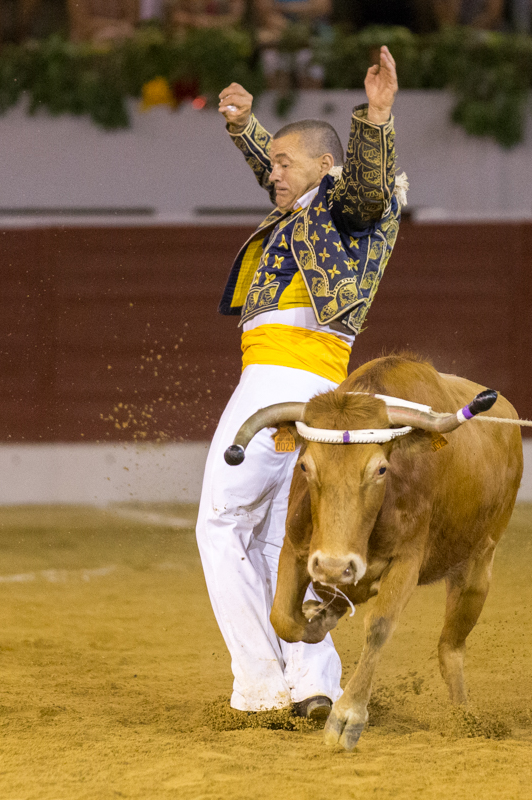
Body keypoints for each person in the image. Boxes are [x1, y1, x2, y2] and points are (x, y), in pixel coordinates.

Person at [197, 46, 404, 718]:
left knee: (223, 525)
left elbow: (365, 186)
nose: (270, 175)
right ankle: (314, 681)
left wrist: (376, 117)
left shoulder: (347, 206)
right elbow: (287, 167)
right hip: (317, 389)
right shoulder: (310, 202)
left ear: (325, 168)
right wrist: (245, 127)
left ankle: (259, 682)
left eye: (284, 165)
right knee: (284, 537)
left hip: (274, 380)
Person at [67, 0, 138, 43]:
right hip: (86, 45)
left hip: (122, 38)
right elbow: (83, 23)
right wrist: (115, 25)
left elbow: (132, 18)